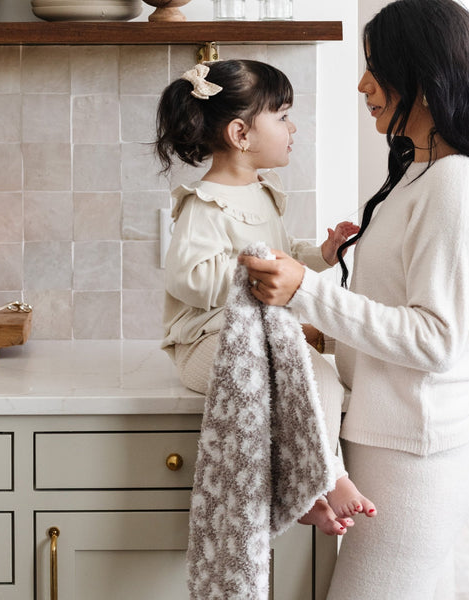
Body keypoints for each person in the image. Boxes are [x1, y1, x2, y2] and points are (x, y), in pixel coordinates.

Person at [239, 1, 469, 598]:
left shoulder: (455, 184)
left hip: (417, 459)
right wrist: (328, 333)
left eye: (375, 66)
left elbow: (435, 340)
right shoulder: (421, 174)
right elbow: (398, 309)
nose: (361, 84)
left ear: (424, 79)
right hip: (397, 445)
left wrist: (308, 292)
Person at [155, 59, 376, 536]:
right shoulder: (204, 202)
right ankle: (328, 477)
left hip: (256, 335)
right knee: (282, 377)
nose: (293, 128)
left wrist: (319, 253)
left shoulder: (263, 192)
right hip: (203, 342)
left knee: (322, 378)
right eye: (282, 116)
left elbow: (281, 254)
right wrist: (253, 268)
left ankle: (304, 487)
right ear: (241, 134)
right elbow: (186, 277)